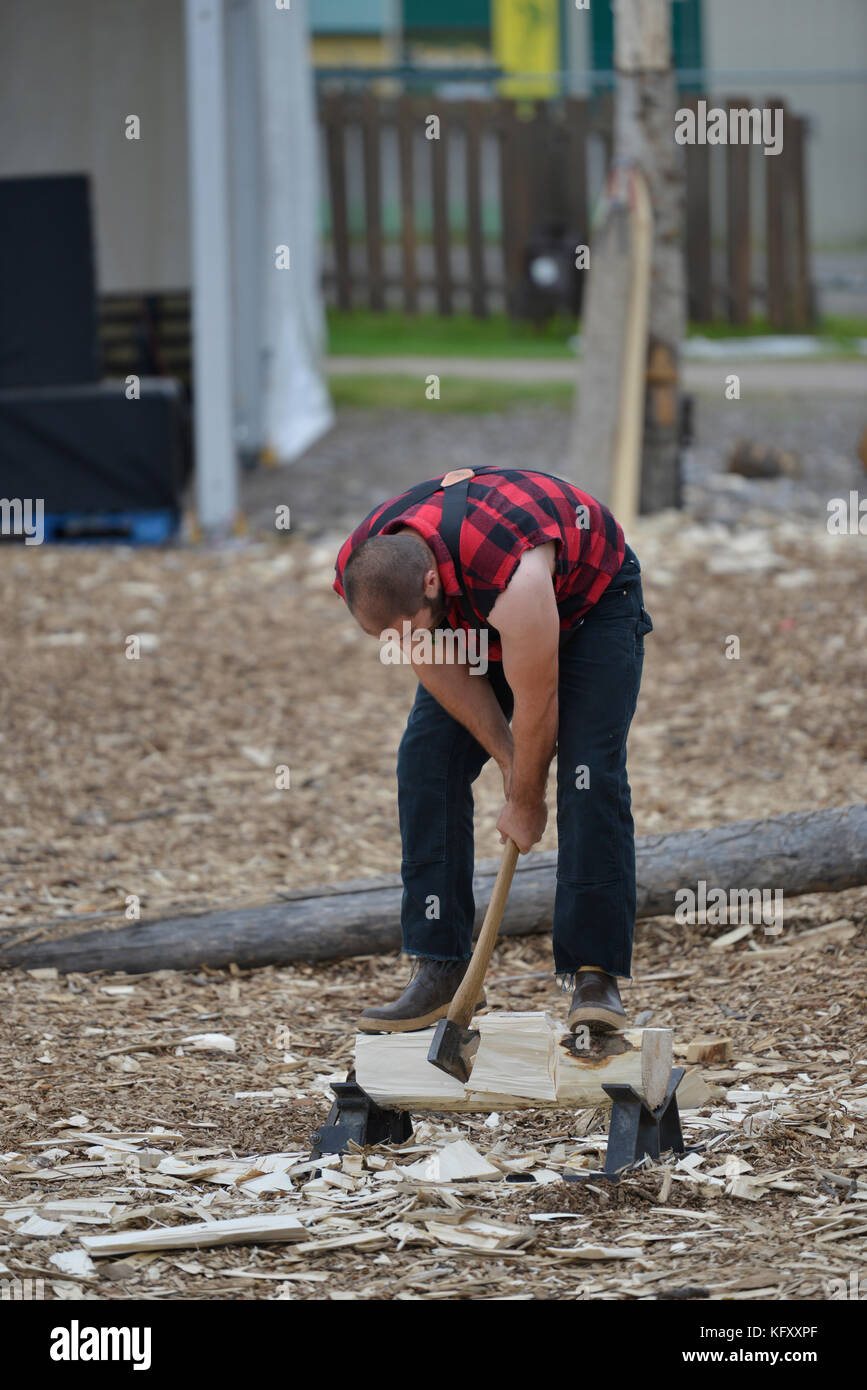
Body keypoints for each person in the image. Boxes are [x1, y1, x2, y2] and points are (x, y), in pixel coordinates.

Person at [332, 466, 652, 1035]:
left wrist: (526, 799)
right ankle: (440, 967)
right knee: (427, 760)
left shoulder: (513, 575)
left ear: (431, 584)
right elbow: (433, 656)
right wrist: (508, 763)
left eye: (409, 631)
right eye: (390, 639)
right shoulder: (370, 565)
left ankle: (593, 973)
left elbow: (539, 699)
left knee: (587, 772)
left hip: (590, 603)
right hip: (474, 609)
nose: (402, 648)